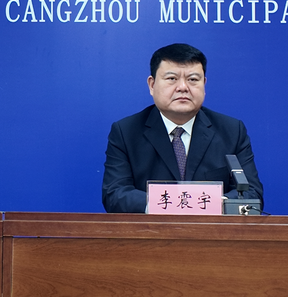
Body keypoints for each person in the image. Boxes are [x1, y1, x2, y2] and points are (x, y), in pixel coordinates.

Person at [102, 43, 264, 213]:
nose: (183, 87)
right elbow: (115, 194)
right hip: (151, 229)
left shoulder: (231, 131)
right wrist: (171, 204)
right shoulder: (126, 132)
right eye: (172, 79)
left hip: (211, 229)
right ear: (152, 85)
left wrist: (214, 204)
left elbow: (252, 194)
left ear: (204, 84)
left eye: (192, 79)